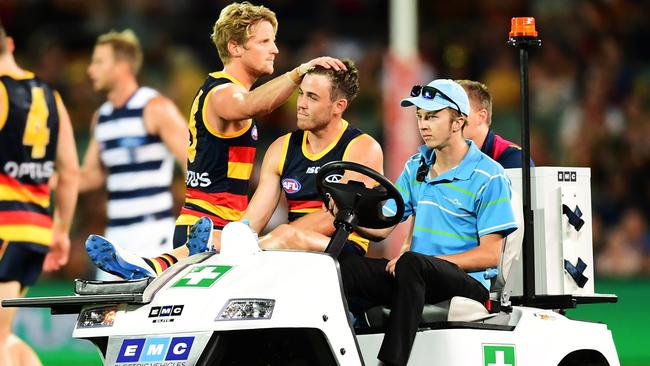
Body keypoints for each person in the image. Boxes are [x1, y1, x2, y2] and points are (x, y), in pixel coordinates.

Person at [85, 2, 347, 278]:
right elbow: (253, 104)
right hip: (209, 225)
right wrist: (299, 73)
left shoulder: (223, 90)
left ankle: (153, 264)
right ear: (235, 48)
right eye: (264, 41)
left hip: (222, 226)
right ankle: (152, 264)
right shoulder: (223, 93)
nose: (275, 49)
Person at [340, 79, 518, 366]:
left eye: (433, 116)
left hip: (468, 285)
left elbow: (492, 254)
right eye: (420, 117)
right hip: (417, 276)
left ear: (458, 122)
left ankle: (390, 362)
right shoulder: (416, 166)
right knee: (344, 269)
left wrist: (429, 261)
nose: (423, 125)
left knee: (411, 262)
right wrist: (347, 212)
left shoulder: (489, 175)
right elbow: (384, 227)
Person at [0, 22, 79, 366]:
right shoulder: (51, 96)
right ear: (11, 44)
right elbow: (70, 171)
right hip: (34, 231)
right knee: (5, 336)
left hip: (4, 226)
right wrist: (61, 231)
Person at [80, 29, 188, 269]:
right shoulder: (101, 117)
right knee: (107, 307)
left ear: (122, 66)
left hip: (153, 236)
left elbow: (192, 162)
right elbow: (90, 176)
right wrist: (38, 178)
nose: (90, 70)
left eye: (98, 62)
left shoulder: (155, 107)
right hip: (115, 237)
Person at [455, 79, 532, 169]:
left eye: (457, 111)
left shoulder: (514, 159)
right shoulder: (438, 155)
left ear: (481, 117)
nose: (449, 118)